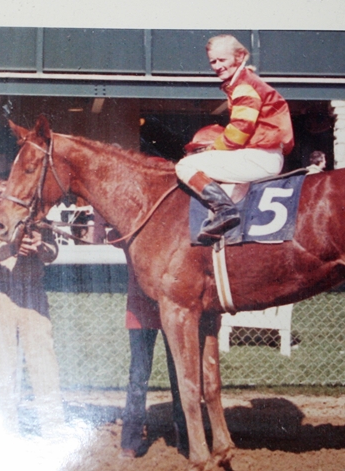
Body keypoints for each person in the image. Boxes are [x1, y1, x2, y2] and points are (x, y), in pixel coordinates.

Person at [174, 35, 294, 244]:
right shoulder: (243, 82)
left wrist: (212, 148)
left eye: (223, 60)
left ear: (239, 57)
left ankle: (225, 211)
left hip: (260, 157)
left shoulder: (244, 86)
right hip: (263, 154)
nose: (218, 66)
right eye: (213, 61)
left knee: (184, 166)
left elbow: (239, 132)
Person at [0, 153, 64, 436]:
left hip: (32, 297)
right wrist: (13, 249)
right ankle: (7, 432)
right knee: (3, 367)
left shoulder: (34, 215)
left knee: (44, 362)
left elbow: (52, 252)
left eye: (3, 183)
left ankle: (53, 430)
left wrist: (40, 246)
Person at [120, 251, 187, 458]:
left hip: (174, 306)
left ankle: (186, 438)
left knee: (180, 374)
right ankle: (130, 440)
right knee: (139, 374)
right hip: (140, 307)